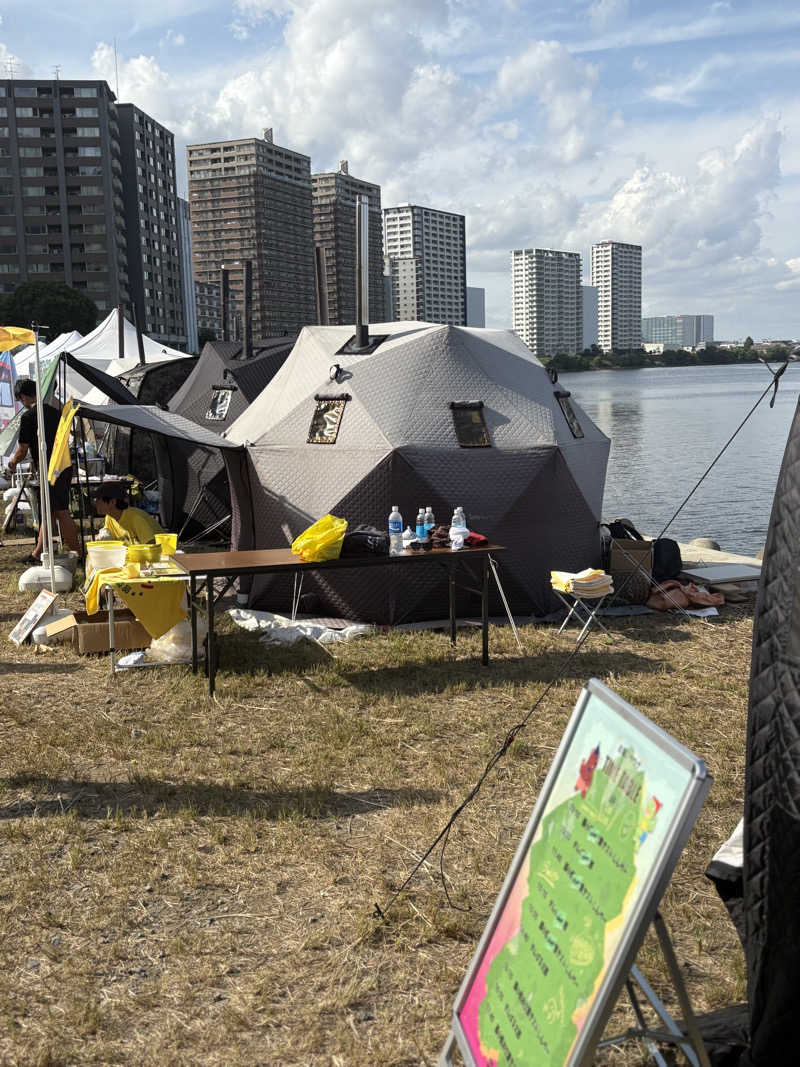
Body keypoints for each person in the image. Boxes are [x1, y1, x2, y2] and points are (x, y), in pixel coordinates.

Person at [7, 378, 80, 564]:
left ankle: (78, 554)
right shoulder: (55, 413)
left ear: (22, 397)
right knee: (49, 511)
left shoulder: (29, 417)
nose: (21, 404)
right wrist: (35, 462)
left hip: (51, 469)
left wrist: (13, 462)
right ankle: (38, 553)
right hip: (63, 464)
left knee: (61, 511)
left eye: (19, 400)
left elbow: (22, 450)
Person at [93, 484, 164, 543]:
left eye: (98, 499)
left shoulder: (136, 518)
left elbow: (152, 547)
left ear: (112, 502)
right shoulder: (109, 518)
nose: (95, 503)